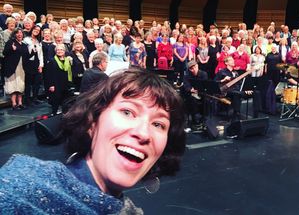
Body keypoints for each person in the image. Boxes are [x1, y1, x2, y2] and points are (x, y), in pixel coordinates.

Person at [0, 67, 186, 214]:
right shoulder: (22, 189)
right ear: (91, 122)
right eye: (127, 112)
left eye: (159, 124)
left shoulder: (128, 210)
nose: (144, 134)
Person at [215, 56, 261, 121]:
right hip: (227, 92)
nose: (233, 61)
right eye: (231, 60)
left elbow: (241, 84)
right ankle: (236, 115)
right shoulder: (221, 72)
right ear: (226, 63)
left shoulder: (236, 73)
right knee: (236, 94)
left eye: (233, 60)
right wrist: (223, 80)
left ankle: (256, 116)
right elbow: (215, 82)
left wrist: (246, 90)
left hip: (238, 91)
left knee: (256, 92)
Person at [3, 28, 29, 109]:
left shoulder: (24, 45)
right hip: (12, 67)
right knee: (13, 85)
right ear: (14, 34)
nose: (19, 34)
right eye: (17, 33)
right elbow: (4, 52)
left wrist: (33, 52)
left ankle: (20, 103)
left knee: (20, 85)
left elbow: (27, 56)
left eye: (21, 33)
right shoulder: (11, 42)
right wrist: (11, 49)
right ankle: (14, 103)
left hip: (21, 67)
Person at [182, 60, 208, 130]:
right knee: (191, 100)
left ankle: (203, 118)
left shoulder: (203, 74)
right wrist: (191, 89)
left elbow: (204, 84)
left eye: (195, 67)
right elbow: (186, 85)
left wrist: (198, 90)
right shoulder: (187, 75)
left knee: (207, 100)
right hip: (191, 93)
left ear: (197, 66)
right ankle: (194, 119)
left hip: (201, 93)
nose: (193, 70)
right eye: (191, 68)